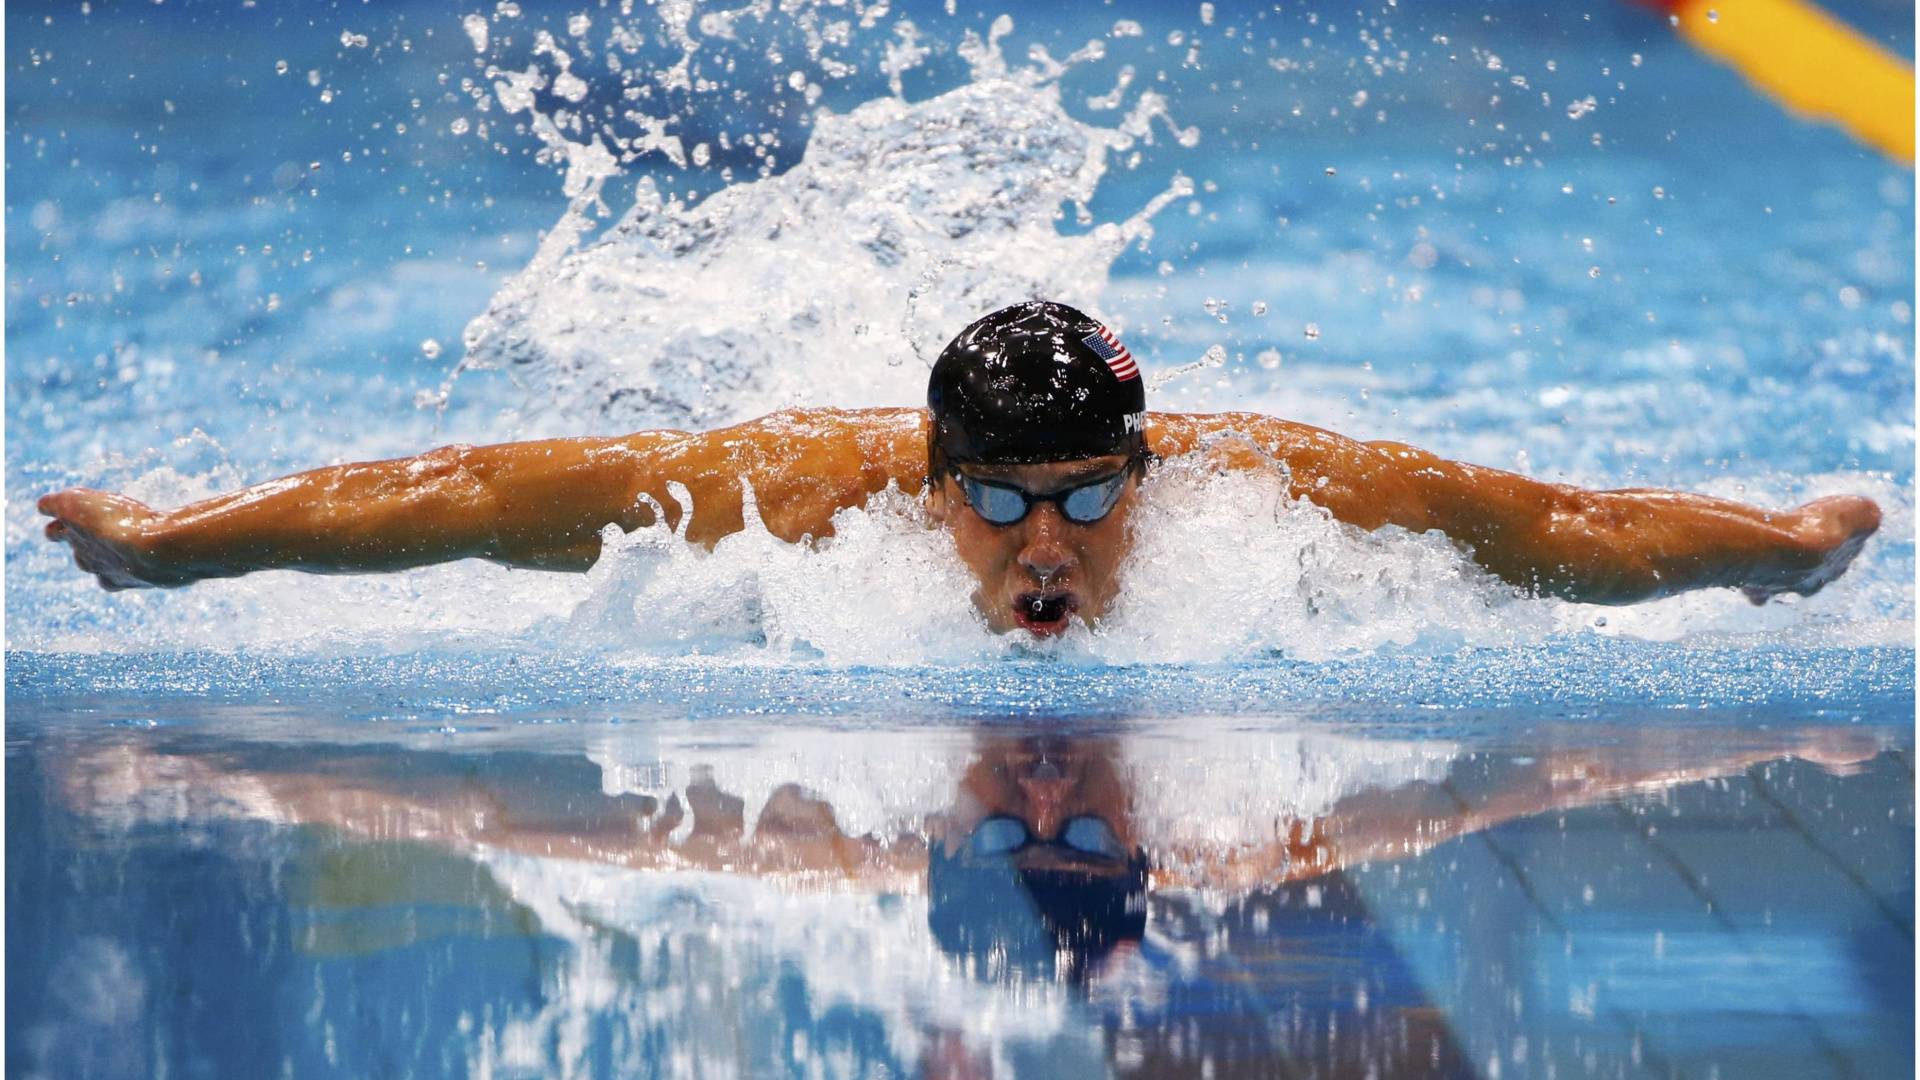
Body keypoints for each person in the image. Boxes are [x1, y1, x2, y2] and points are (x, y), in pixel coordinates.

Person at [39, 301, 1880, 636]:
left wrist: (1777, 553)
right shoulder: (798, 496)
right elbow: (453, 497)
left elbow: (1558, 523)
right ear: (928, 480)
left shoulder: (1270, 490)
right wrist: (175, 546)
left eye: (1090, 494)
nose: (1045, 544)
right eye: (996, 502)